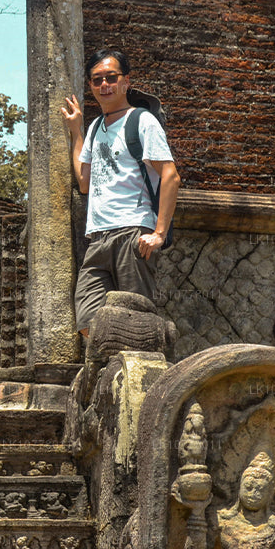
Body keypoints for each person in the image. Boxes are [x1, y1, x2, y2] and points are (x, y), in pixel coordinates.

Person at [60, 49, 181, 337]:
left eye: (111, 78)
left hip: (132, 233)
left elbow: (171, 176)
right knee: (89, 324)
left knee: (136, 324)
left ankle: (141, 379)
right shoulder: (95, 128)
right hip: (98, 237)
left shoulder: (141, 121)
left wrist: (159, 233)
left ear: (126, 82)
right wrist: (76, 132)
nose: (104, 86)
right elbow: (84, 183)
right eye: (97, 80)